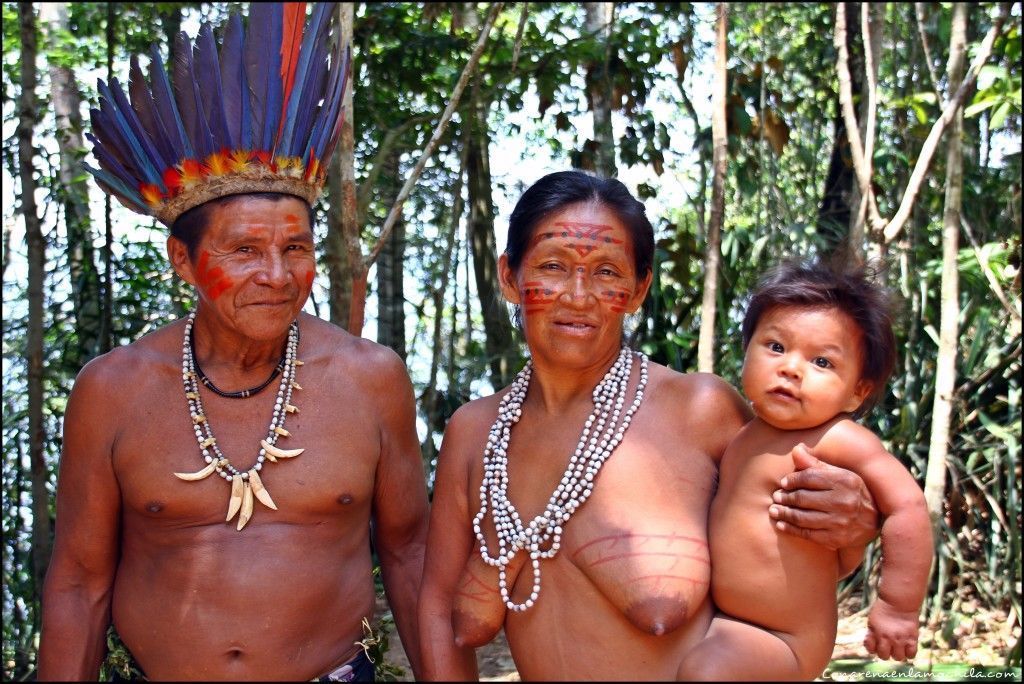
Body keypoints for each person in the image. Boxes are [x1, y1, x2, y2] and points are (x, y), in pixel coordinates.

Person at [38, 4, 429, 681]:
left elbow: (410, 554)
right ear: (184, 262)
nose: (276, 276)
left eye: (295, 247)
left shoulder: (370, 378)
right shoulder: (114, 389)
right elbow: (79, 582)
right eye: (244, 249)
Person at [418, 170, 881, 681]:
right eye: (553, 266)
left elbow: (797, 559)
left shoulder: (700, 410)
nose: (579, 295)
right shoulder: (475, 432)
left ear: (639, 290)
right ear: (510, 277)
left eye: (607, 272)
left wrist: (854, 527)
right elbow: (439, 607)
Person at [677, 261, 933, 680]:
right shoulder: (743, 435)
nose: (791, 368)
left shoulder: (839, 438)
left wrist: (897, 608)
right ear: (747, 350)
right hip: (729, 623)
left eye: (822, 362)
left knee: (705, 673)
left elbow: (908, 506)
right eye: (776, 347)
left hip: (786, 637)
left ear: (857, 392)